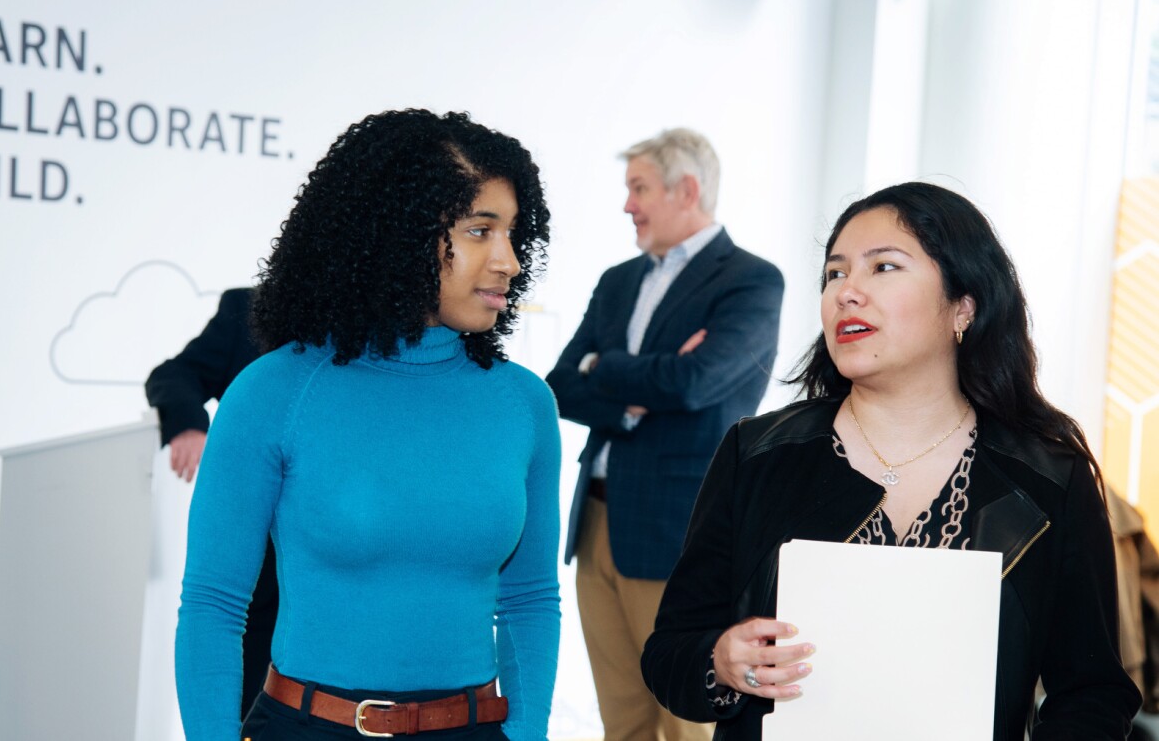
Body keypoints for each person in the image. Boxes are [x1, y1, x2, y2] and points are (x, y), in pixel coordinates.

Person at [641, 182, 1142, 739]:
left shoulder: (1049, 476)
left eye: (883, 267)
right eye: (835, 274)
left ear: (964, 305)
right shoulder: (756, 454)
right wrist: (721, 663)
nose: (846, 293)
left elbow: (1093, 693)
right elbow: (669, 654)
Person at [175, 109, 561, 741]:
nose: (509, 261)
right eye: (480, 231)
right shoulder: (276, 391)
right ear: (399, 234)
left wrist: (525, 737)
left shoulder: (524, 404)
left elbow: (529, 602)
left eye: (513, 232)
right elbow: (214, 607)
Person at [545, 128, 783, 741]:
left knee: (684, 724)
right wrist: (627, 400)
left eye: (639, 188)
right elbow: (561, 383)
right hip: (597, 526)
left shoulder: (751, 281)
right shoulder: (618, 279)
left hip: (678, 528)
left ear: (688, 189)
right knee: (620, 718)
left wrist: (608, 366)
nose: (628, 204)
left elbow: (693, 383)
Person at [145, 286, 276, 719]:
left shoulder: (395, 320)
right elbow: (173, 375)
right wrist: (188, 424)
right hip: (261, 578)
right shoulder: (249, 310)